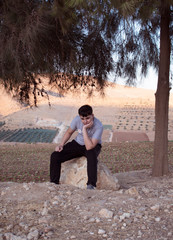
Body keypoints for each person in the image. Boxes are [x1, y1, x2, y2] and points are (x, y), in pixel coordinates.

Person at [50, 104, 103, 189]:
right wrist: (61, 144)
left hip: (93, 145)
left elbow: (90, 146)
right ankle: (54, 183)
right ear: (79, 117)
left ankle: (91, 185)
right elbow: (69, 132)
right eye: (82, 119)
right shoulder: (76, 120)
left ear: (92, 116)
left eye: (88, 118)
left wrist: (84, 129)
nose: (85, 121)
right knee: (55, 156)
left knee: (91, 155)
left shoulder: (98, 126)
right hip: (78, 143)